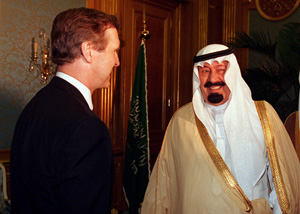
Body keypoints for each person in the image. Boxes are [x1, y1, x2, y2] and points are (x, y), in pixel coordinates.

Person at [141, 44, 300, 214]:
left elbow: (283, 182)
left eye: (221, 69)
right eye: (205, 71)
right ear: (197, 75)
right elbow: (163, 184)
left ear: (232, 73)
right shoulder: (181, 121)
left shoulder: (263, 115)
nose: (213, 78)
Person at [10, 7, 120, 214]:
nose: (117, 61)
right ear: (88, 51)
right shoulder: (88, 128)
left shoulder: (33, 108)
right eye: (114, 50)